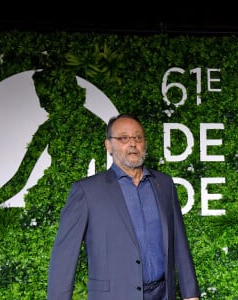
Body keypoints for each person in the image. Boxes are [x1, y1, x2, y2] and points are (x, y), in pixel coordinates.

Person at [47, 113, 200, 300]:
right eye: (124, 138)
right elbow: (64, 258)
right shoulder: (86, 191)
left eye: (138, 137)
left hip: (162, 294)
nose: (133, 143)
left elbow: (180, 244)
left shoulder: (164, 184)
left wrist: (190, 294)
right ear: (109, 145)